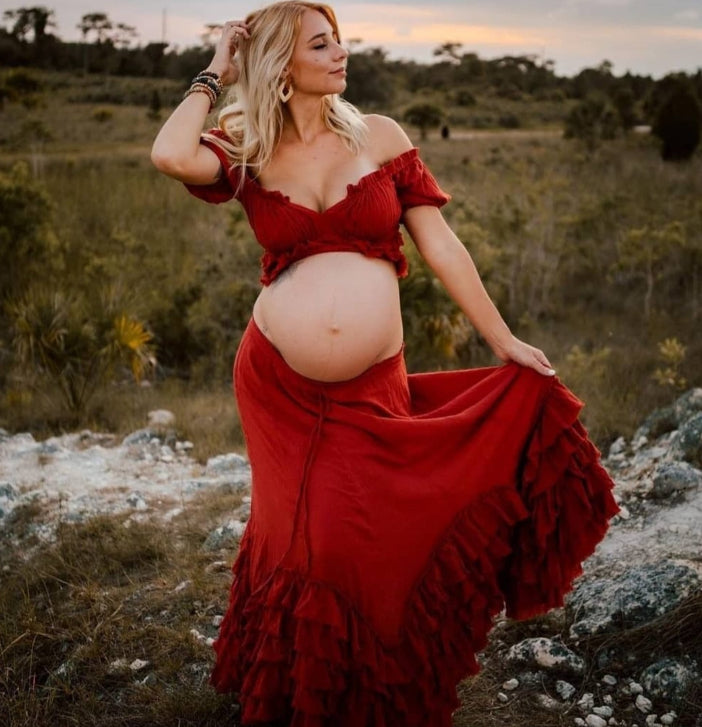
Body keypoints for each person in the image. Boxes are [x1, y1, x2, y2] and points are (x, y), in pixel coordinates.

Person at [151, 2, 619, 725]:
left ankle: (375, 687)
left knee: (359, 534)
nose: (341, 53)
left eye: (340, 40)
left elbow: (442, 246)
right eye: (320, 44)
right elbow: (169, 154)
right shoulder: (248, 148)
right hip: (278, 384)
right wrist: (219, 66)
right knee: (304, 536)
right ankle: (296, 688)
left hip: (372, 382)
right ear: (282, 66)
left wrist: (503, 341)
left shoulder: (380, 136)